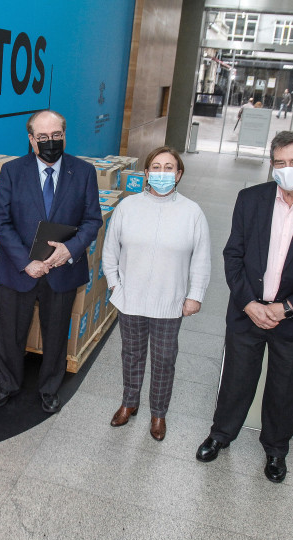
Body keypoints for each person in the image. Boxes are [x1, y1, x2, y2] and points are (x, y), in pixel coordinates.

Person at [196, 131, 293, 483]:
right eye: (280, 163)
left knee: (284, 387)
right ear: (272, 165)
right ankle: (221, 434)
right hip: (249, 312)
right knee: (236, 379)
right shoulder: (251, 199)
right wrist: (248, 302)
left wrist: (286, 308)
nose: (287, 169)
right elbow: (233, 254)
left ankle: (276, 450)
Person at [0, 109, 102, 413]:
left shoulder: (84, 172)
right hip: (18, 269)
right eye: (43, 137)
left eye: (56, 135)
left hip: (63, 269)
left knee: (56, 333)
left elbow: (93, 220)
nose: (50, 142)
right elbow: (2, 222)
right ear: (31, 139)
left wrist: (71, 250)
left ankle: (50, 387)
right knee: (11, 332)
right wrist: (26, 262)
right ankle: (7, 384)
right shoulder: (12, 171)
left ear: (64, 135)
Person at [102, 147, 211, 440]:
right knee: (131, 354)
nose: (162, 173)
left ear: (178, 174)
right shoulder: (128, 207)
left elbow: (201, 259)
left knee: (164, 359)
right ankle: (129, 402)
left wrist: (195, 295)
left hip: (170, 302)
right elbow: (110, 249)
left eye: (169, 168)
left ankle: (158, 413)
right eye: (156, 167)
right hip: (131, 298)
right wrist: (115, 285)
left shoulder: (192, 213)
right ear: (147, 173)